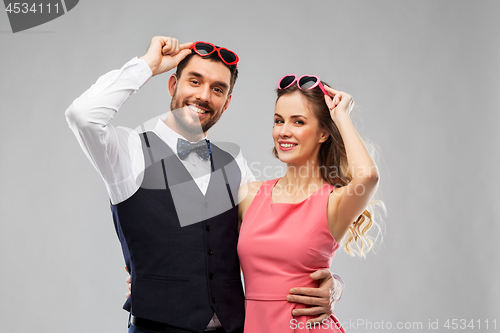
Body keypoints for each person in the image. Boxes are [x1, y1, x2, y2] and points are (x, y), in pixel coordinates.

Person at [65, 37, 344, 333]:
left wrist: (333, 286)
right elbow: (82, 115)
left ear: (227, 102)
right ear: (172, 85)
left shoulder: (235, 166)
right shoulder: (127, 151)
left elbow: (284, 241)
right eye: (194, 81)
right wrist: (148, 65)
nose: (204, 96)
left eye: (218, 89)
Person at [237, 75, 381, 332]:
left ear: (323, 133)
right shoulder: (249, 196)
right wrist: (336, 286)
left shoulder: (333, 203)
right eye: (278, 121)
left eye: (298, 122)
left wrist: (341, 116)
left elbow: (368, 176)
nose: (283, 131)